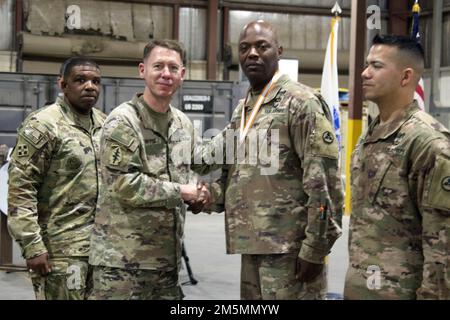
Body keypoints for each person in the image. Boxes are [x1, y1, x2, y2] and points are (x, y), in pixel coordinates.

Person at [194, 20, 343, 300]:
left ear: (279, 51)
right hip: (253, 244)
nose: (252, 53)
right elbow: (237, 174)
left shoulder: (301, 102)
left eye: (262, 46)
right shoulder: (246, 107)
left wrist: (315, 248)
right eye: (244, 48)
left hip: (290, 249)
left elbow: (325, 184)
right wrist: (205, 197)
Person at [88, 39, 209, 300]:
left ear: (182, 75)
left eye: (173, 68)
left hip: (165, 264)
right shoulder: (123, 121)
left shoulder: (182, 123)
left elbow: (196, 166)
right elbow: (124, 184)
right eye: (158, 66)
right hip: (122, 265)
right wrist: (183, 192)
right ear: (142, 70)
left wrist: (202, 194)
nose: (166, 74)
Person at [344, 34, 450, 300]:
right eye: (366, 64)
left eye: (376, 66)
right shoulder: (372, 133)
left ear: (405, 77)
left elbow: (443, 246)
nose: (364, 73)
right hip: (363, 286)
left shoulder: (428, 143)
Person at [7, 57, 105, 300]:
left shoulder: (106, 124)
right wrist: (32, 246)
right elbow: (21, 190)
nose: (89, 86)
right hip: (60, 252)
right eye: (80, 80)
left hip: (102, 250)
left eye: (95, 81)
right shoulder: (43, 125)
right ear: (63, 85)